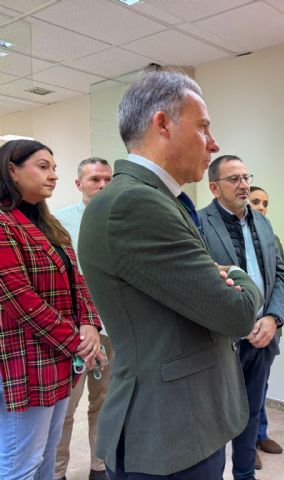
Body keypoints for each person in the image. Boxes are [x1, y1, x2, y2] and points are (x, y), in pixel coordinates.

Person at [78, 71, 263, 480]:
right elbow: (236, 312)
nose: (213, 144)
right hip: (169, 433)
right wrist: (237, 273)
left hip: (188, 420)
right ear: (163, 124)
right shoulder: (134, 203)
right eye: (203, 128)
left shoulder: (159, 199)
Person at [0, 139, 103, 480]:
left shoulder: (50, 225)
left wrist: (89, 324)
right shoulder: (3, 224)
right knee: (21, 463)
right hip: (25, 362)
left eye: (54, 168)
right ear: (11, 170)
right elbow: (22, 301)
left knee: (46, 456)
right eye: (43, 167)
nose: (53, 175)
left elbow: (79, 281)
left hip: (58, 361)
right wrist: (77, 341)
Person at [198, 156, 284, 480]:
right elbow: (201, 284)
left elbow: (279, 274)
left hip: (263, 337)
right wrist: (239, 321)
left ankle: (245, 474)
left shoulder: (262, 222)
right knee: (219, 418)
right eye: (233, 179)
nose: (243, 185)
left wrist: (273, 318)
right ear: (214, 187)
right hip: (222, 342)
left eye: (245, 177)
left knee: (250, 414)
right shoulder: (198, 223)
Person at [55, 157, 113, 480]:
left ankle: (99, 467)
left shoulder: (123, 220)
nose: (103, 185)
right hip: (75, 335)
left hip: (113, 330)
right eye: (95, 180)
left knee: (104, 403)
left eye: (107, 179)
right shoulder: (59, 224)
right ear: (79, 184)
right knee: (65, 410)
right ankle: (57, 472)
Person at [248, 185, 284, 467]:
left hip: (269, 328)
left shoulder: (273, 238)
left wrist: (272, 318)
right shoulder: (227, 237)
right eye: (255, 201)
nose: (261, 207)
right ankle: (245, 444)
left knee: (261, 386)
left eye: (265, 203)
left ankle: (260, 435)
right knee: (239, 389)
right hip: (239, 330)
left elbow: (281, 280)